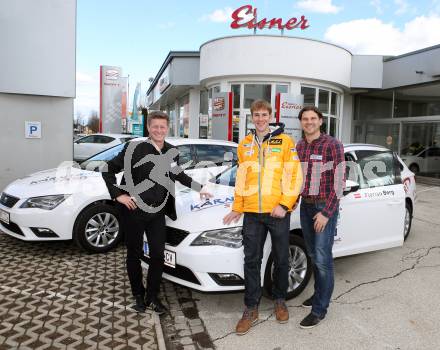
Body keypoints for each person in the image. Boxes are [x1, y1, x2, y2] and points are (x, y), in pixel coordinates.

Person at [102, 111, 212, 315]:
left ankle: (152, 296)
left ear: (167, 128)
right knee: (134, 254)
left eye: (162, 127)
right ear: (149, 128)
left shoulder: (171, 151)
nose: (159, 130)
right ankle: (138, 294)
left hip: (157, 212)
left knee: (158, 255)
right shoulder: (134, 148)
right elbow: (107, 169)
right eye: (155, 127)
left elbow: (179, 175)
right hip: (133, 210)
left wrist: (200, 187)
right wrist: (118, 195)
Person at [223, 99, 302, 335]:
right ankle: (251, 307)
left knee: (281, 258)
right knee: (251, 260)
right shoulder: (244, 144)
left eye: (263, 115)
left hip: (276, 211)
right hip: (252, 214)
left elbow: (295, 176)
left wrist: (285, 204)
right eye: (256, 115)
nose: (260, 119)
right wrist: (237, 206)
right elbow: (241, 180)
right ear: (252, 117)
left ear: (270, 116)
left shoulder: (285, 142)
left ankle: (279, 299)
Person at [296, 106, 345, 329]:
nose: (309, 122)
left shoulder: (333, 145)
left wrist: (326, 213)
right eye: (305, 119)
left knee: (323, 260)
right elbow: (298, 178)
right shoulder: (299, 146)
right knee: (314, 255)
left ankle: (319, 309)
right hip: (305, 206)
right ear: (301, 123)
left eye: (313, 118)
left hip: (323, 206)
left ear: (321, 121)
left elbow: (339, 182)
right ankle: (318, 295)